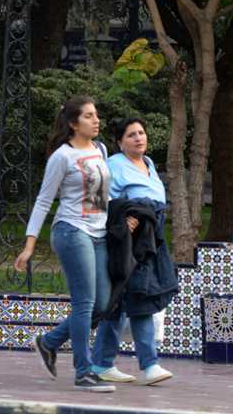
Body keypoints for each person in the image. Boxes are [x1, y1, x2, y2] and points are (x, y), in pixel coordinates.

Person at [15, 95, 118, 392]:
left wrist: (123, 215)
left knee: (102, 303)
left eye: (96, 115)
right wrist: (29, 245)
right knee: (84, 303)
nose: (96, 120)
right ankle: (84, 372)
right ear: (73, 124)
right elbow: (44, 200)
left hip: (99, 234)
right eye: (88, 116)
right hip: (72, 232)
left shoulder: (100, 149)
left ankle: (48, 342)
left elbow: (102, 195)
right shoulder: (62, 156)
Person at [89, 118, 176, 385]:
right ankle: (150, 365)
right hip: (129, 241)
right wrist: (125, 217)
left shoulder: (148, 163)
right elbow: (101, 198)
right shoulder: (114, 164)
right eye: (131, 135)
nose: (139, 138)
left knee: (118, 302)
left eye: (141, 132)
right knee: (141, 298)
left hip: (152, 239)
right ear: (120, 142)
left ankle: (101, 363)